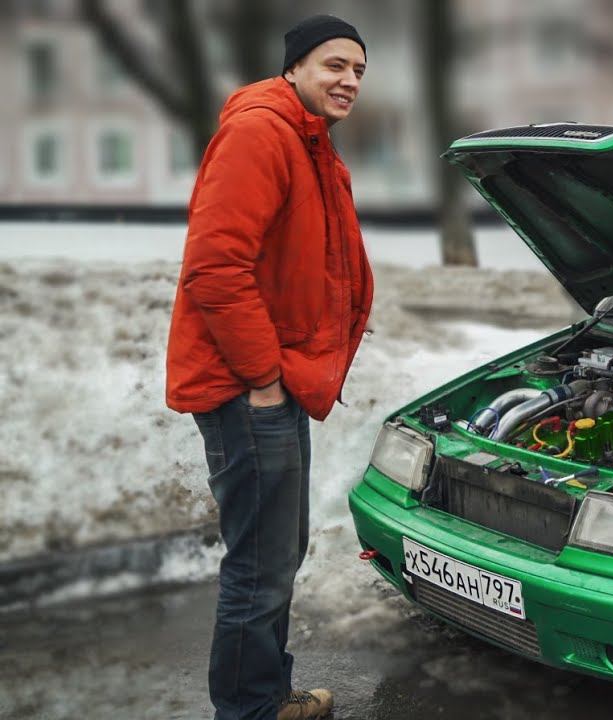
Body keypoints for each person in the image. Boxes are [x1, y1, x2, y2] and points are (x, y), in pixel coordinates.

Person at [165, 14, 374, 720]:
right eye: (334, 65)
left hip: (276, 379)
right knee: (260, 566)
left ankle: (264, 696)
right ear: (295, 68)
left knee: (279, 552)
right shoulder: (263, 133)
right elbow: (215, 269)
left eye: (358, 71)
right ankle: (252, 710)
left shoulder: (306, 141)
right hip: (246, 387)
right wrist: (262, 378)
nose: (348, 80)